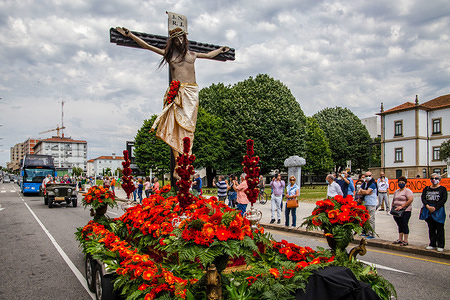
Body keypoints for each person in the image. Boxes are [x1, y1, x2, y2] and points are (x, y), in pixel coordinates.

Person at [115, 26, 229, 160]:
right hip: (177, 91)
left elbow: (209, 55)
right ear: (173, 41)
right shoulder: (170, 56)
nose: (180, 41)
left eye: (182, 38)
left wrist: (221, 50)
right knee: (173, 124)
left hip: (191, 93)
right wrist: (131, 36)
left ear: (185, 39)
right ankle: (177, 161)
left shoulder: (192, 55)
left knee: (188, 126)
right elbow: (148, 46)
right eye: (176, 39)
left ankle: (186, 155)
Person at [420, 173, 447, 252]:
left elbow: (444, 199)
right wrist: (427, 206)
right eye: (432, 178)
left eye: (435, 178)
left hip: (438, 210)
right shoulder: (427, 188)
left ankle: (441, 245)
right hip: (429, 210)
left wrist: (435, 207)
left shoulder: (442, 189)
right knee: (431, 228)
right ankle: (432, 243)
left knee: (440, 228)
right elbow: (423, 198)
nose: (433, 180)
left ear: (439, 179)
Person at [391, 176, 414, 246]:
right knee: (399, 224)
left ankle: (406, 240)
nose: (401, 184)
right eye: (399, 182)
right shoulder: (396, 191)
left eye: (402, 182)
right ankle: (400, 239)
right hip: (396, 211)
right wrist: (392, 207)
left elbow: (410, 200)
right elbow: (394, 199)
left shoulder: (408, 191)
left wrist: (402, 206)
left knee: (404, 224)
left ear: (405, 183)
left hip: (405, 210)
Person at [358, 171, 377, 239]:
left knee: (371, 219)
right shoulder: (364, 184)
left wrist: (364, 192)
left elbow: (367, 191)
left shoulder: (373, 184)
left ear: (371, 176)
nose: (367, 177)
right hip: (365, 202)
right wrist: (365, 192)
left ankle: (372, 234)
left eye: (369, 175)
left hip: (371, 203)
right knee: (365, 219)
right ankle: (367, 232)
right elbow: (359, 192)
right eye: (366, 176)